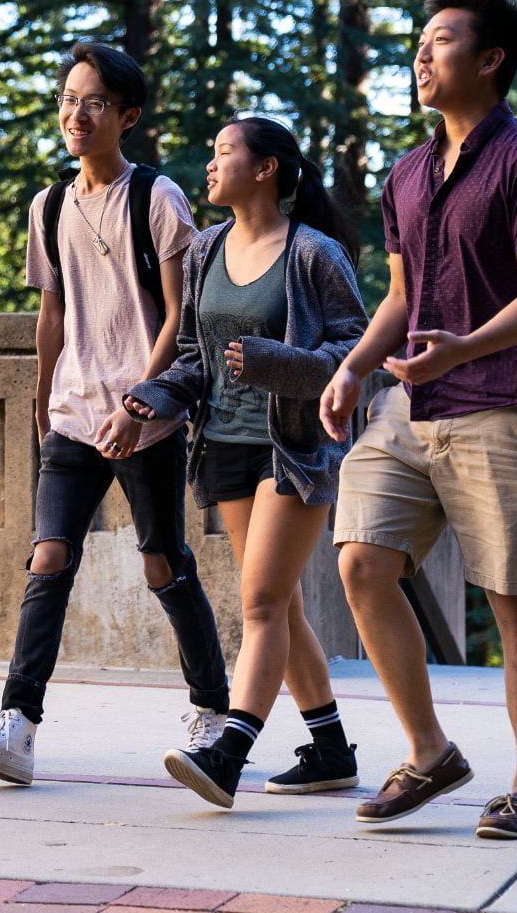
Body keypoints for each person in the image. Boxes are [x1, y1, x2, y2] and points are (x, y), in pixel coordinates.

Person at [320, 0, 517, 839]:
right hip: (414, 402)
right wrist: (356, 368)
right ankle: (430, 752)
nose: (422, 56)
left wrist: (464, 348)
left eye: (440, 41)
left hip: (510, 405)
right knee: (361, 561)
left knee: (512, 598)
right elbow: (400, 298)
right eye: (421, 42)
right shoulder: (407, 172)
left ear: (490, 59)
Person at [0, 43, 227, 786]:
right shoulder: (50, 204)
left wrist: (142, 400)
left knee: (164, 563)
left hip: (147, 418)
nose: (76, 112)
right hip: (72, 417)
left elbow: (179, 316)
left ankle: (213, 712)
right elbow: (52, 314)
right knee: (48, 558)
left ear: (126, 116)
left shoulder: (156, 198)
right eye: (68, 98)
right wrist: (42, 407)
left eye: (94, 101)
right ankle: (18, 729)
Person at [112, 117, 369, 808]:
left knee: (259, 603)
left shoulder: (315, 255)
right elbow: (195, 358)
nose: (210, 163)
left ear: (267, 169)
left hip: (294, 449)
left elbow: (355, 355)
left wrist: (279, 363)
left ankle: (229, 751)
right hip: (221, 443)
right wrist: (155, 394)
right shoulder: (203, 250)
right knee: (278, 601)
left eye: (225, 151)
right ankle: (329, 749)